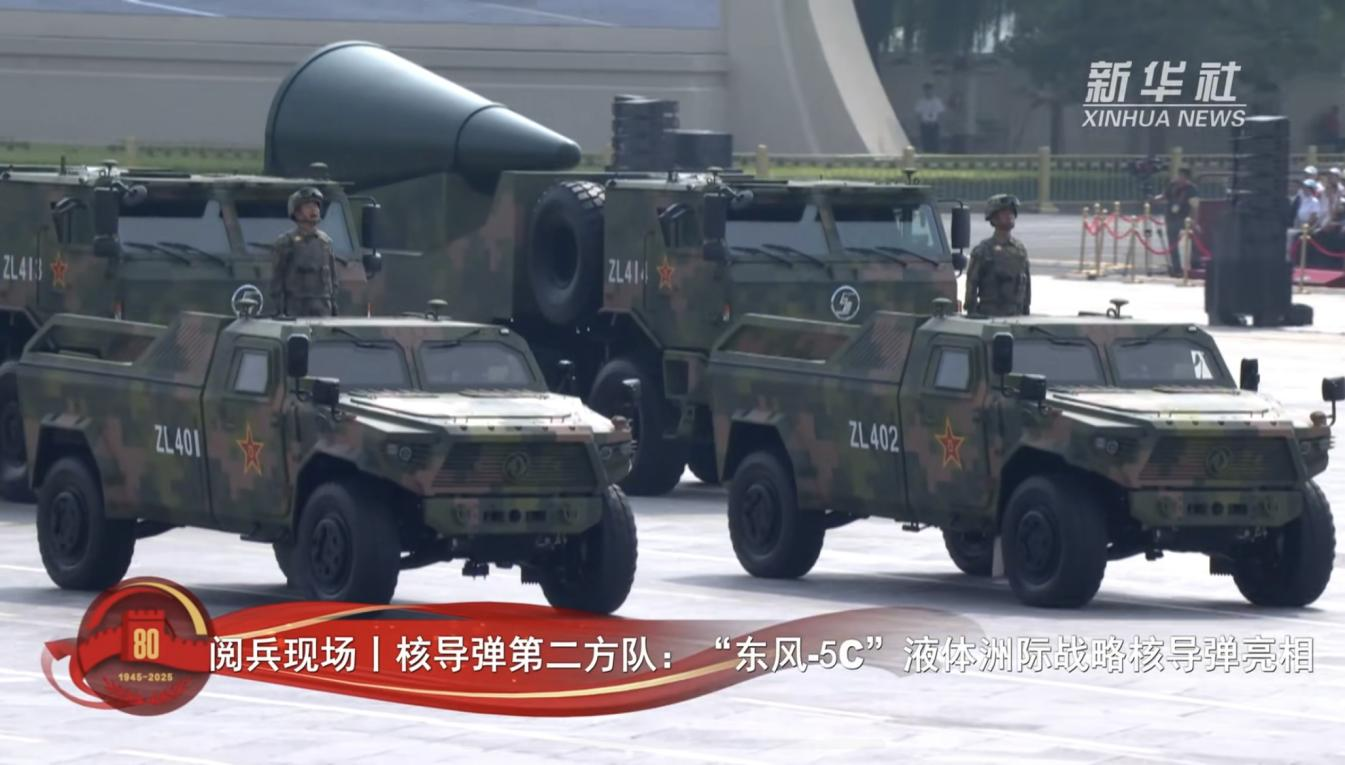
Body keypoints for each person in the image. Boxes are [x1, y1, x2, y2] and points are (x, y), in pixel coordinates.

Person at [270, 187, 338, 317]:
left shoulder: (325, 242)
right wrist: (280, 310)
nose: (314, 210)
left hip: (323, 307)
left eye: (316, 205)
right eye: (308, 206)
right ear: (297, 212)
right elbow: (277, 281)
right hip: (296, 307)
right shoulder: (286, 242)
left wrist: (333, 306)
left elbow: (333, 280)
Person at [964, 194, 1030, 316]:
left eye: (1012, 212)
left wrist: (1026, 311)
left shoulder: (1020, 250)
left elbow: (1026, 285)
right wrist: (971, 311)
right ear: (993, 218)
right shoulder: (983, 250)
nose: (1009, 215)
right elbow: (972, 283)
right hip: (990, 315)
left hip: (1017, 315)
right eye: (1004, 212)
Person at [1155, 168, 1198, 276]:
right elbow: (1164, 195)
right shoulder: (1172, 185)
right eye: (1179, 175)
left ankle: (1195, 262)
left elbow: (1195, 206)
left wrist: (1194, 220)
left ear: (1186, 178)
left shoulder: (1191, 189)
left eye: (1181, 176)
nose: (1179, 177)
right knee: (1173, 243)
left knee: (1195, 240)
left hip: (1185, 218)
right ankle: (1176, 268)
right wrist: (1155, 199)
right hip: (1171, 217)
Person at [914, 83, 945, 153]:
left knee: (935, 143)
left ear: (932, 91)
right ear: (924, 91)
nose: (928, 92)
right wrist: (917, 126)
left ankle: (935, 157)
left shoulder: (937, 101)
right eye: (926, 90)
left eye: (930, 90)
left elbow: (941, 114)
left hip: (934, 125)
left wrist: (941, 126)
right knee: (926, 143)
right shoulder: (921, 102)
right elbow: (918, 115)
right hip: (925, 125)